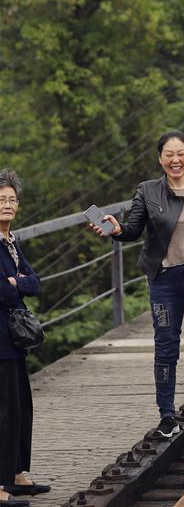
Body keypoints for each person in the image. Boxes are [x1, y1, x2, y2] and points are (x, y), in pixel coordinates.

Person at [90, 131, 184, 439]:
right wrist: (115, 229)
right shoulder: (148, 191)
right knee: (167, 347)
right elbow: (132, 230)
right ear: (160, 158)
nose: (175, 160)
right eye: (168, 154)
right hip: (166, 280)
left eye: (181, 153)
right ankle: (166, 415)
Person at [0, 170, 50, 507]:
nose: (7, 205)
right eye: (1, 200)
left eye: (12, 200)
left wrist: (19, 282)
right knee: (3, 410)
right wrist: (15, 284)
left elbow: (35, 281)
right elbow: (3, 290)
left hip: (13, 338)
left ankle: (17, 472)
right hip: (0, 339)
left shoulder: (11, 241)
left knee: (20, 408)